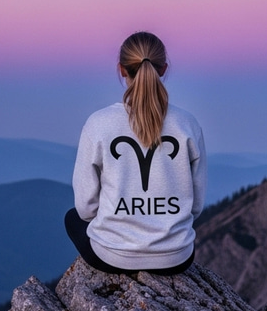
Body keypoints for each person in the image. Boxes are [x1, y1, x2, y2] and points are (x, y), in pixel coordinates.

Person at [65, 31, 206, 274]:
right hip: (175, 258)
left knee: (72, 218)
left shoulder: (99, 123)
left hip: (113, 257)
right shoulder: (187, 124)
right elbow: (195, 206)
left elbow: (85, 208)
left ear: (121, 69)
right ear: (163, 69)